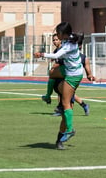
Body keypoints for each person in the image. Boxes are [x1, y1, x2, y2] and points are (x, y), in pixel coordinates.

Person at [34, 22, 83, 150]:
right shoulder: (69, 40)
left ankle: (70, 130)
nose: (56, 36)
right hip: (70, 74)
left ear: (62, 33)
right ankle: (50, 96)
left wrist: (42, 54)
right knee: (53, 77)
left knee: (66, 104)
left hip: (72, 76)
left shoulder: (68, 45)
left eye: (58, 33)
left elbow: (56, 56)